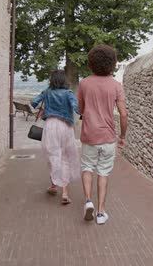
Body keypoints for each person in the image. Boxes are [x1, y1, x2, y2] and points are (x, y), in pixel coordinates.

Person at [77, 44, 128, 225]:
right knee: (103, 172)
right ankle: (101, 212)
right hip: (108, 137)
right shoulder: (116, 85)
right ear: (112, 63)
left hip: (89, 135)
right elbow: (123, 114)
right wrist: (122, 137)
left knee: (87, 168)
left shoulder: (84, 83)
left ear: (91, 63)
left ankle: (88, 201)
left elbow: (80, 109)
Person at [31, 70, 81, 205]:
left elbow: (33, 102)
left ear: (52, 80)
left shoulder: (47, 92)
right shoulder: (68, 93)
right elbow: (77, 108)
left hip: (50, 126)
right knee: (65, 157)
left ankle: (53, 186)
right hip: (65, 126)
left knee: (52, 155)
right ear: (65, 80)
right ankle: (64, 193)